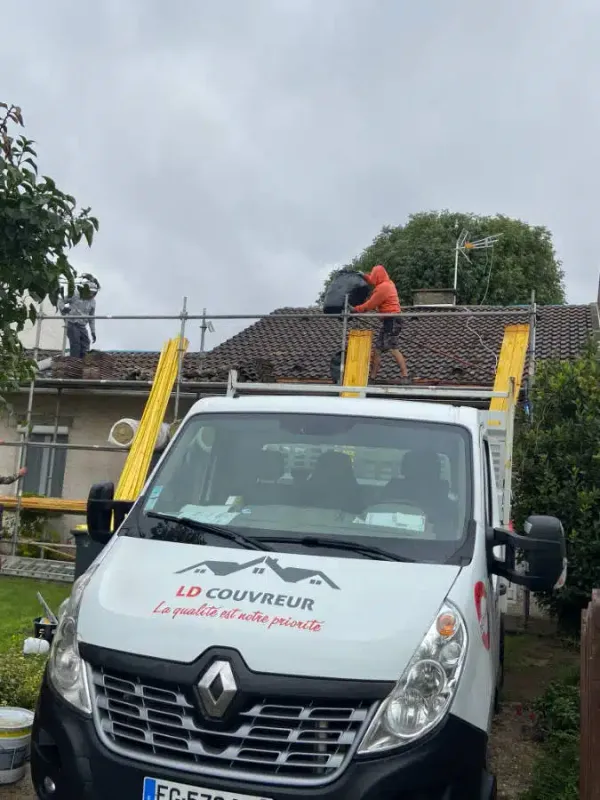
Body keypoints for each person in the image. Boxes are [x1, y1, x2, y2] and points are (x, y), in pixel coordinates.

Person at [351, 264, 409, 383]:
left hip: (392, 319)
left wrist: (355, 309)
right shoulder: (388, 283)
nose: (373, 279)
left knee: (393, 348)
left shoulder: (383, 288)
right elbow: (373, 280)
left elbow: (370, 305)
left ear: (377, 276)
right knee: (378, 349)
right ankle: (372, 378)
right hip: (389, 320)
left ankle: (405, 376)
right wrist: (364, 276)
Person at [58, 277, 98, 359]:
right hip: (72, 323)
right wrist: (63, 308)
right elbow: (61, 300)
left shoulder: (93, 302)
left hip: (82, 325)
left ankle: (83, 362)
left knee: (86, 343)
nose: (91, 295)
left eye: (93, 293)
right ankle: (74, 363)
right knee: (76, 343)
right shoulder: (75, 294)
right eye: (90, 292)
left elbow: (91, 318)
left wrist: (93, 331)